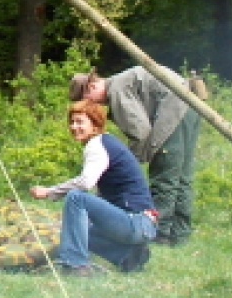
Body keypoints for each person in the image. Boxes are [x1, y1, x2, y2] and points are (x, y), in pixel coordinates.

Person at [70, 66, 201, 247]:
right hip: (190, 105)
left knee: (164, 176)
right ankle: (180, 235)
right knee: (182, 178)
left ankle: (158, 234)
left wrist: (127, 163)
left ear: (91, 87)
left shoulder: (116, 91)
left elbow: (141, 132)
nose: (90, 105)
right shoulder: (121, 82)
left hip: (174, 110)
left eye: (86, 99)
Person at [31, 100, 157, 275]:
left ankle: (75, 265)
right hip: (143, 224)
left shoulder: (97, 145)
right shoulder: (106, 143)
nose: (74, 127)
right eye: (72, 122)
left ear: (95, 125)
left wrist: (49, 192)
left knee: (76, 198)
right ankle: (129, 256)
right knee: (78, 232)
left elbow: (85, 183)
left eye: (80, 122)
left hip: (135, 222)